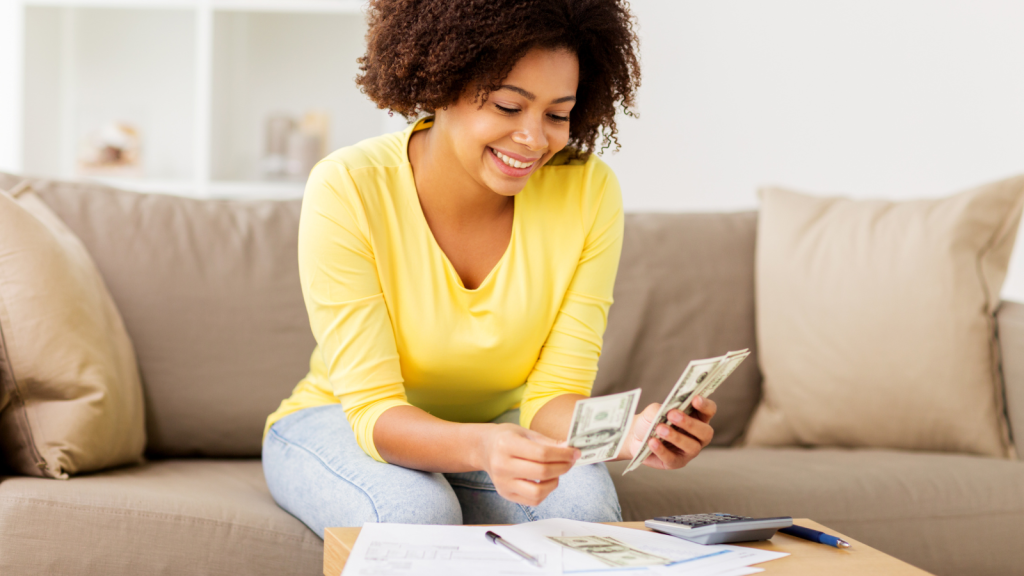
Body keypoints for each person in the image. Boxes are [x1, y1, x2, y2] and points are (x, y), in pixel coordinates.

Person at [261, 0, 718, 537]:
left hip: (503, 432)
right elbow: (373, 411)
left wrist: (630, 435)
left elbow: (552, 397)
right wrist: (481, 444)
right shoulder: (349, 187)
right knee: (416, 515)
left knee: (584, 514)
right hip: (343, 421)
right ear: (443, 83)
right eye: (507, 106)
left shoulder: (588, 192)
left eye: (556, 114)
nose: (534, 139)